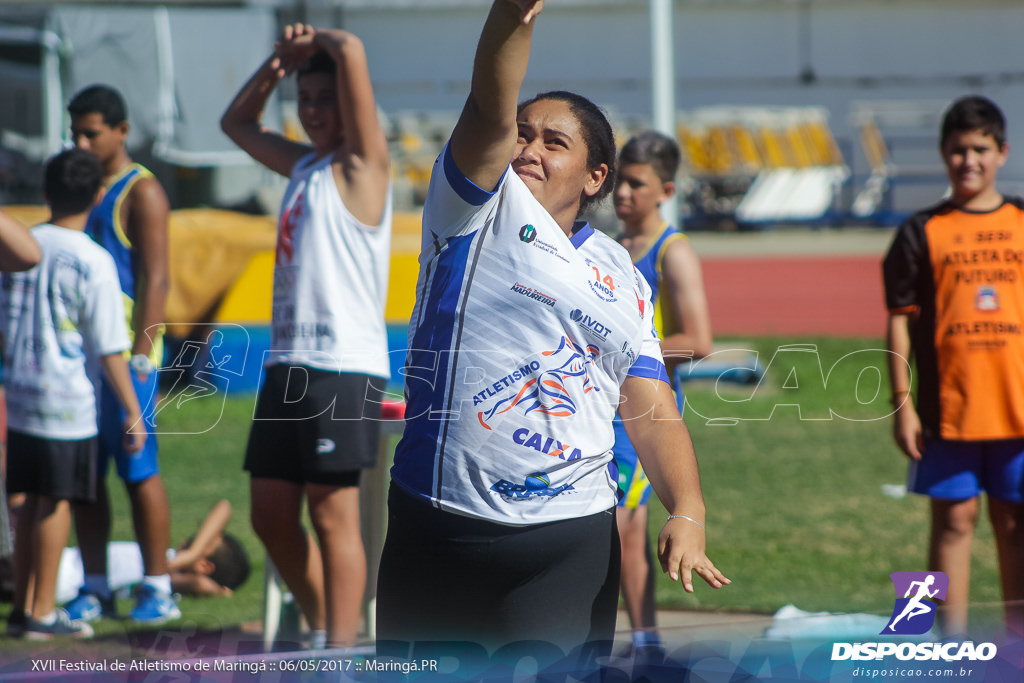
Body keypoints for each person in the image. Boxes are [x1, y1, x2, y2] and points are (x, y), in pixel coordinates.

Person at [376, 0, 727, 661]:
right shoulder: (475, 204)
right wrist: (515, 16)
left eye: (553, 140)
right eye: (523, 133)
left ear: (597, 176)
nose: (527, 147)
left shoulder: (622, 271)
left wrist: (688, 509)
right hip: (435, 524)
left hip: (566, 546)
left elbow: (649, 405)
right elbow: (488, 109)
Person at [221, 23, 391, 648]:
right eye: (307, 100)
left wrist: (314, 38)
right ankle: (325, 626)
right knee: (269, 512)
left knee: (331, 511)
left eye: (328, 99)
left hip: (342, 364)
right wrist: (274, 66)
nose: (317, 112)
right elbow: (236, 125)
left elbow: (352, 48)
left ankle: (341, 652)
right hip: (286, 361)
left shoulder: (362, 165)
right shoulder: (305, 164)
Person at [883, 94, 1024, 639]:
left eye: (981, 149)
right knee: (952, 522)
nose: (970, 160)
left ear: (1002, 152)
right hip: (948, 407)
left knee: (1014, 525)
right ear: (944, 154)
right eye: (959, 149)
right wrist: (902, 404)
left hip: (1016, 408)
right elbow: (898, 322)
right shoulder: (921, 231)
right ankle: (946, 646)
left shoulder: (1019, 220)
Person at [1, 148, 145, 639]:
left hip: (20, 391)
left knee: (28, 500)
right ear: (99, 196)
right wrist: (132, 409)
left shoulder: (21, 243)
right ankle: (43, 611)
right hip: (67, 401)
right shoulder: (94, 260)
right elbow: (110, 348)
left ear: (45, 193)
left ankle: (23, 605)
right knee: (56, 501)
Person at [62, 84, 176, 625]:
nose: (81, 142)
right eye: (74, 132)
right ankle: (96, 584)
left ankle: (158, 587)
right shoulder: (77, 187)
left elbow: (156, 277)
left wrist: (143, 354)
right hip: (83, 355)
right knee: (87, 475)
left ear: (122, 131)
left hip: (130, 356)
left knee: (138, 469)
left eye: (92, 132)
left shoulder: (142, 191)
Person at [610, 130, 713, 654]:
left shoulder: (673, 253)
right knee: (601, 524)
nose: (622, 193)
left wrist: (625, 349)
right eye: (619, 181)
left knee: (628, 527)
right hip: (597, 403)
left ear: (665, 190)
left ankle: (647, 642)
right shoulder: (606, 246)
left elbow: (699, 340)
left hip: (642, 410)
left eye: (636, 183)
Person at [55, 500, 250, 604]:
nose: (197, 536)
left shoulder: (166, 575)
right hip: (67, 558)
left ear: (204, 566)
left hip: (65, 577)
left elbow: (200, 584)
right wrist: (192, 554)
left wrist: (219, 591)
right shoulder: (168, 559)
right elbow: (224, 506)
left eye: (206, 540)